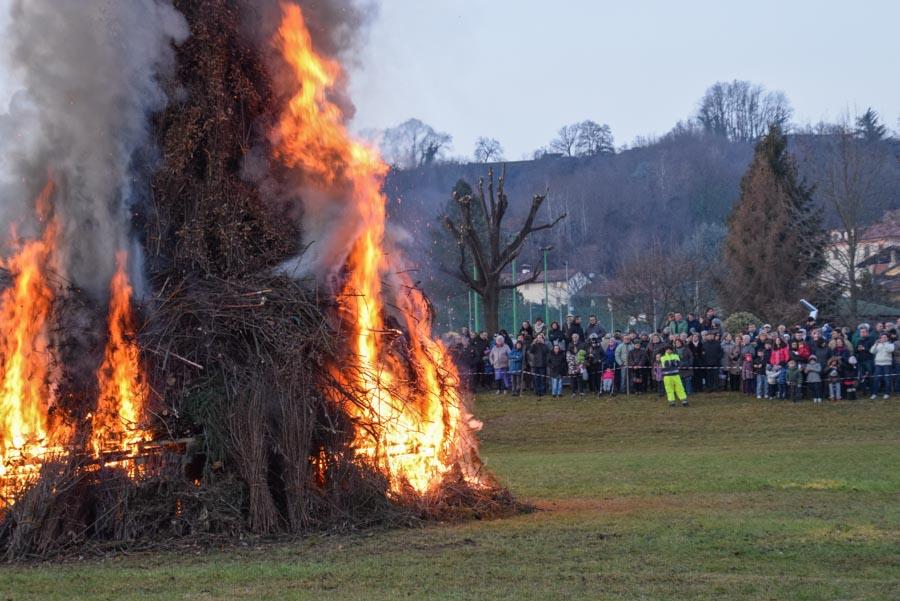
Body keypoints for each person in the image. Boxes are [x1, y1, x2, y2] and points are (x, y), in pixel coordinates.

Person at [869, 333, 894, 399]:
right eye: (882, 337)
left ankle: (887, 393)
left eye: (885, 337)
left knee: (887, 379)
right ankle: (874, 394)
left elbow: (890, 350)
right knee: (876, 379)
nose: (883, 338)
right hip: (878, 364)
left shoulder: (890, 344)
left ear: (887, 338)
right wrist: (875, 344)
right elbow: (872, 351)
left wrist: (883, 344)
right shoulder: (877, 344)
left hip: (887, 364)